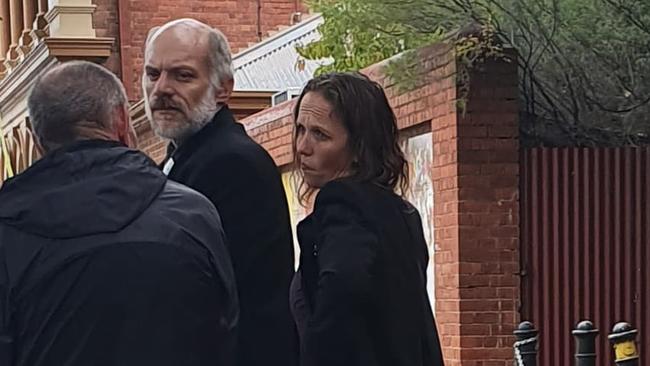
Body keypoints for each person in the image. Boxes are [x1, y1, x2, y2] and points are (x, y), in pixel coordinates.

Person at [0, 61, 238, 366]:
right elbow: (225, 333)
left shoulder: (9, 233)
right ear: (123, 122)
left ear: (35, 139)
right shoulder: (192, 216)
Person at [142, 19, 297, 366]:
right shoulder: (185, 154)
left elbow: (225, 299)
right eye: (153, 74)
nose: (161, 89)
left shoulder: (233, 163)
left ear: (223, 88)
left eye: (182, 76)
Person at [290, 72, 445, 366]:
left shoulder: (343, 205)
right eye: (300, 129)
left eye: (320, 134)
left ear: (360, 147)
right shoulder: (399, 212)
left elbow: (340, 298)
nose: (302, 147)